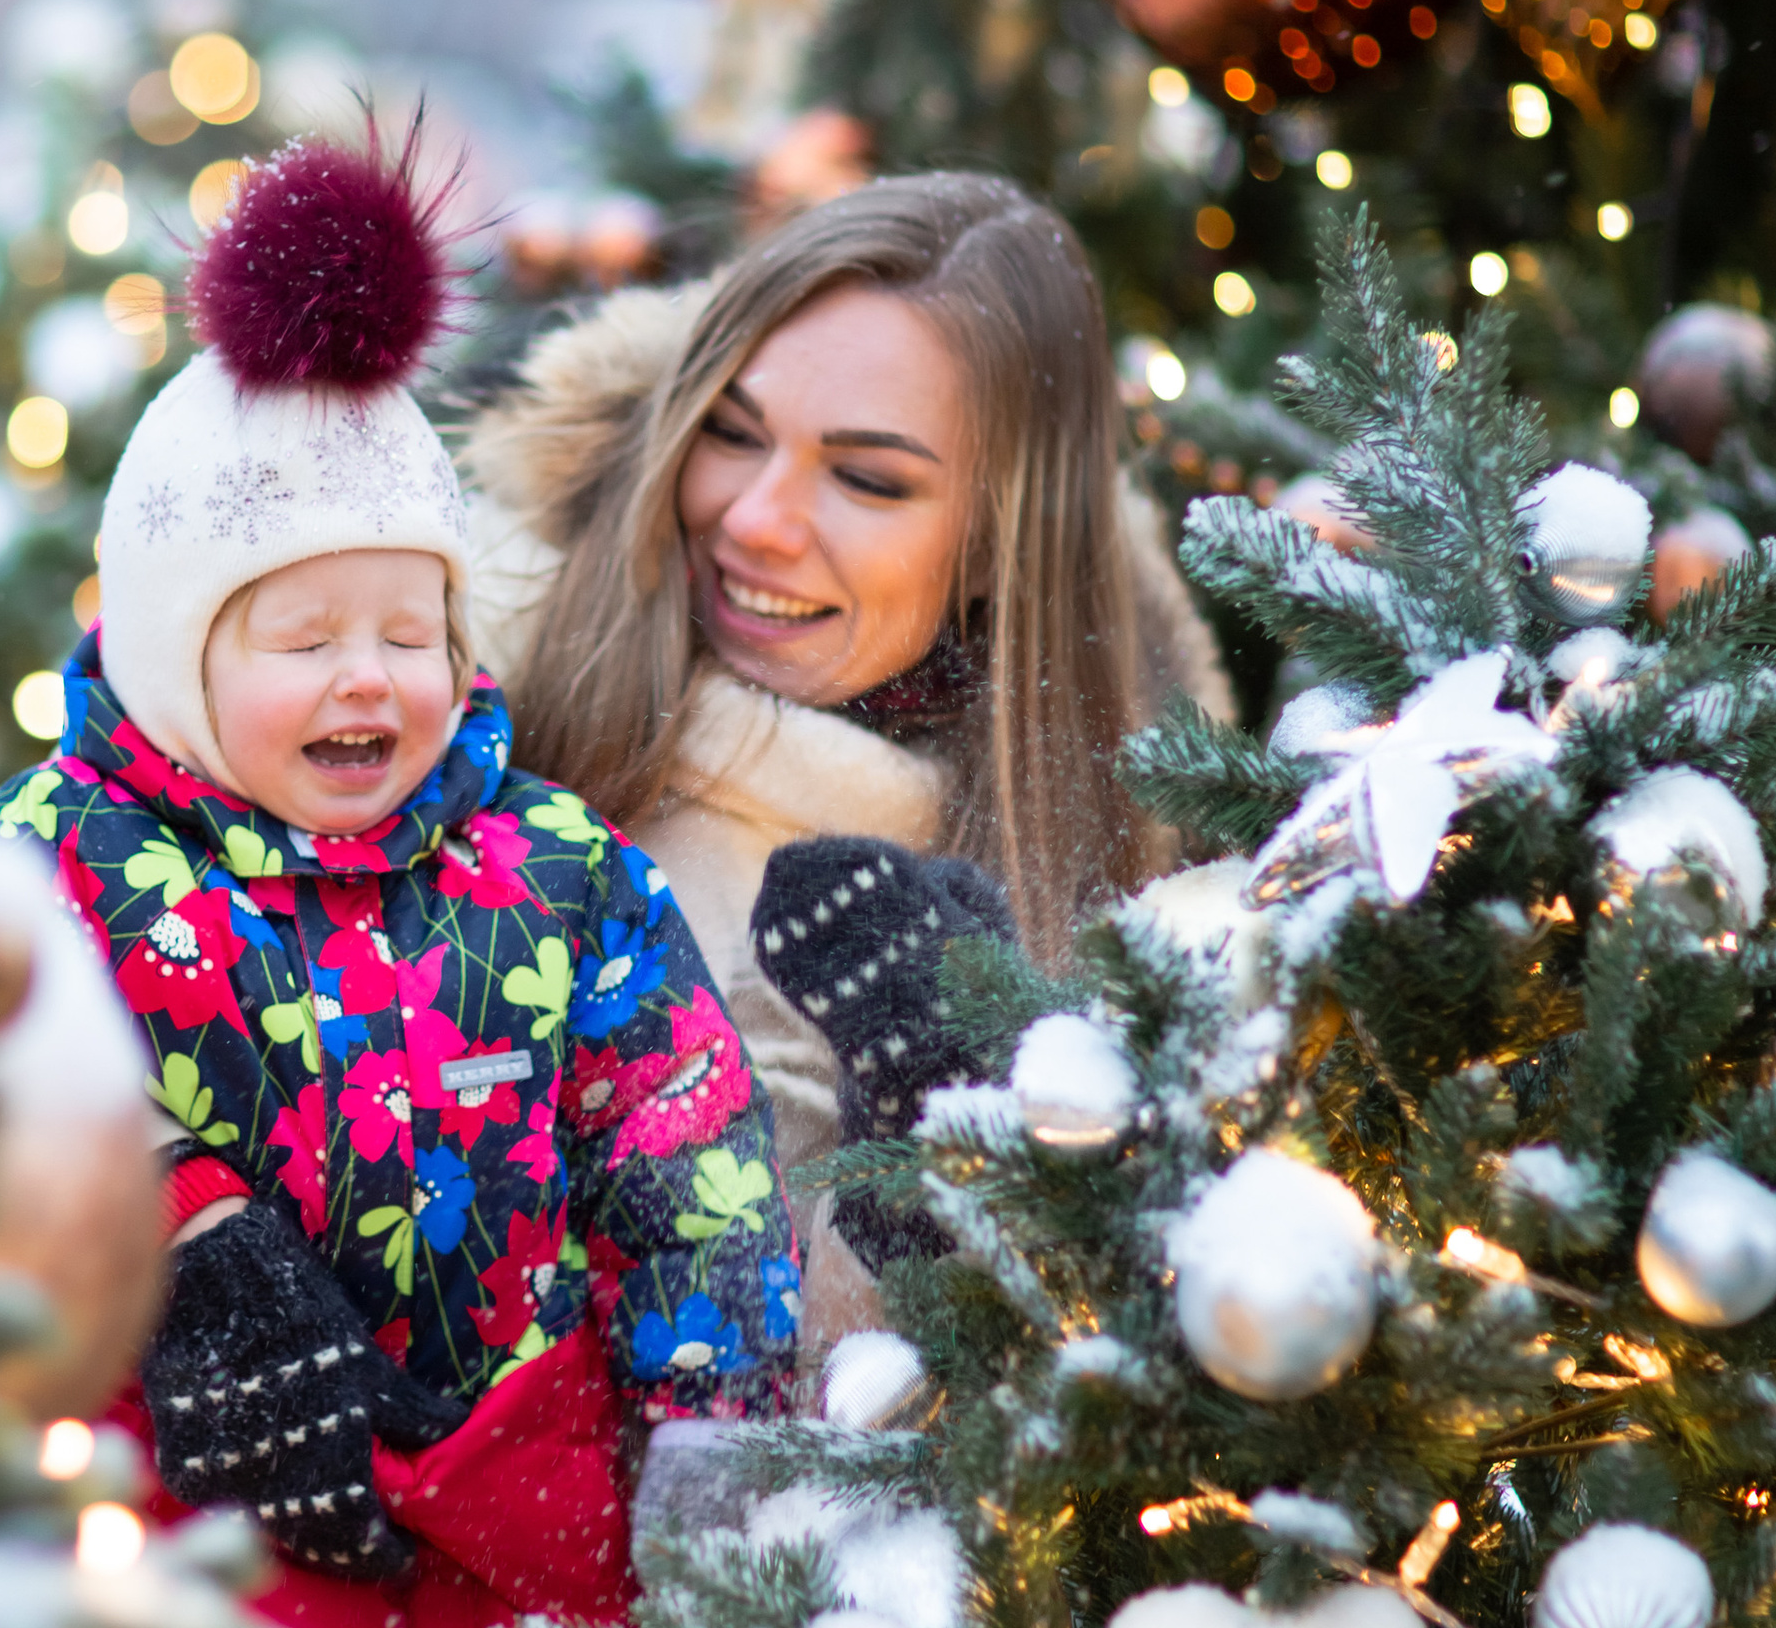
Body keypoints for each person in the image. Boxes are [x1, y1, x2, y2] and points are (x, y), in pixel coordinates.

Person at [0, 131, 795, 1628]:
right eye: (302, 639)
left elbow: (686, 1140)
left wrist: (711, 1424)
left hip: (518, 1495)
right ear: (177, 657)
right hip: (197, 1504)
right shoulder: (62, 868)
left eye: (409, 628)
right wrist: (183, 1238)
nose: (372, 683)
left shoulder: (553, 874)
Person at [464, 170, 1230, 1354]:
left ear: (995, 547)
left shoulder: (1147, 898)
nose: (757, 520)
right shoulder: (447, 694)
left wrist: (922, 1164)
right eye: (729, 430)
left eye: (868, 478)